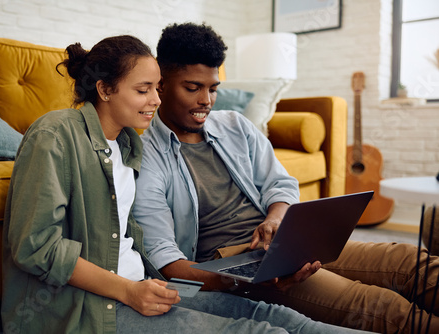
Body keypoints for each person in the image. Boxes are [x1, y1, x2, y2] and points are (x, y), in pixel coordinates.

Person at [0, 35, 368, 334]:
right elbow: (36, 248)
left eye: (157, 88)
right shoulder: (55, 134)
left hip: (145, 285)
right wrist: (129, 290)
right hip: (88, 305)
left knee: (280, 318)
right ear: (105, 89)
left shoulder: (129, 144)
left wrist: (239, 279)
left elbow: (131, 242)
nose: (157, 100)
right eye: (144, 90)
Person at [132, 22, 439, 334]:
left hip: (282, 240)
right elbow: (168, 264)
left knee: (407, 262)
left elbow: (280, 184)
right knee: (375, 305)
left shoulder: (235, 125)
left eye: (212, 89)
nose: (206, 102)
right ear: (161, 86)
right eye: (193, 88)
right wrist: (244, 279)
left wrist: (277, 219)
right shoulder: (145, 156)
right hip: (232, 260)